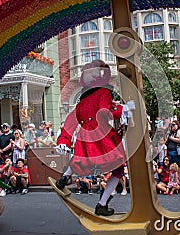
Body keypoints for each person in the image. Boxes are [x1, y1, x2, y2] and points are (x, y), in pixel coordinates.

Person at [54, 60, 129, 216]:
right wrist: (123, 110)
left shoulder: (82, 101)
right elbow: (103, 112)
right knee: (118, 168)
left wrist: (64, 140)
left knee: (81, 159)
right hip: (101, 133)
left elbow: (69, 122)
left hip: (85, 134)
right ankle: (102, 204)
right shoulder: (104, 92)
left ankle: (65, 177)